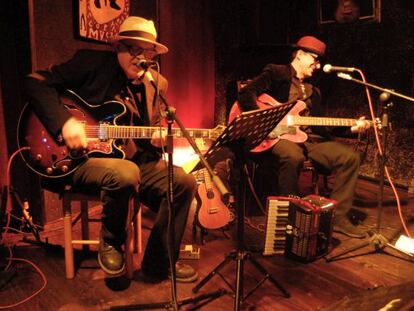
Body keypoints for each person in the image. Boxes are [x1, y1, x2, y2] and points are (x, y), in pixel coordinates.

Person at [23, 16, 198, 282]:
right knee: (125, 172)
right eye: (132, 49)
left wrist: (158, 139)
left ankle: (159, 264)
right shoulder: (91, 64)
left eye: (147, 51)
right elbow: (34, 81)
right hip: (80, 160)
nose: (140, 57)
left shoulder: (157, 85)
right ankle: (111, 241)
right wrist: (64, 123)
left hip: (134, 161)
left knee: (184, 182)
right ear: (118, 49)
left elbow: (150, 133)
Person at [236, 35, 371, 238]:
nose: (317, 66)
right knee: (293, 156)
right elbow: (246, 93)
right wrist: (263, 121)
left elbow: (323, 125)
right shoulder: (276, 72)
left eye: (319, 62)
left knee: (349, 158)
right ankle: (290, 217)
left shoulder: (313, 91)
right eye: (314, 60)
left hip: (308, 138)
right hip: (276, 137)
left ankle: (339, 218)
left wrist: (353, 128)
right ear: (299, 55)